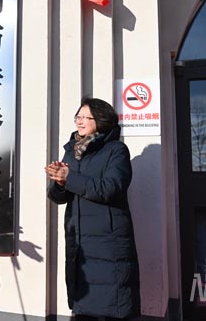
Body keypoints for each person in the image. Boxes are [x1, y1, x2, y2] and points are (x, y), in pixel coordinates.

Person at [45, 97, 140, 321]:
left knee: (112, 305)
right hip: (79, 241)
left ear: (102, 120)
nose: (80, 121)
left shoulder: (116, 150)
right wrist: (60, 182)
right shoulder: (72, 151)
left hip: (107, 241)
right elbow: (58, 197)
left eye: (86, 117)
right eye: (78, 117)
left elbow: (110, 188)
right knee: (83, 305)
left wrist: (69, 178)